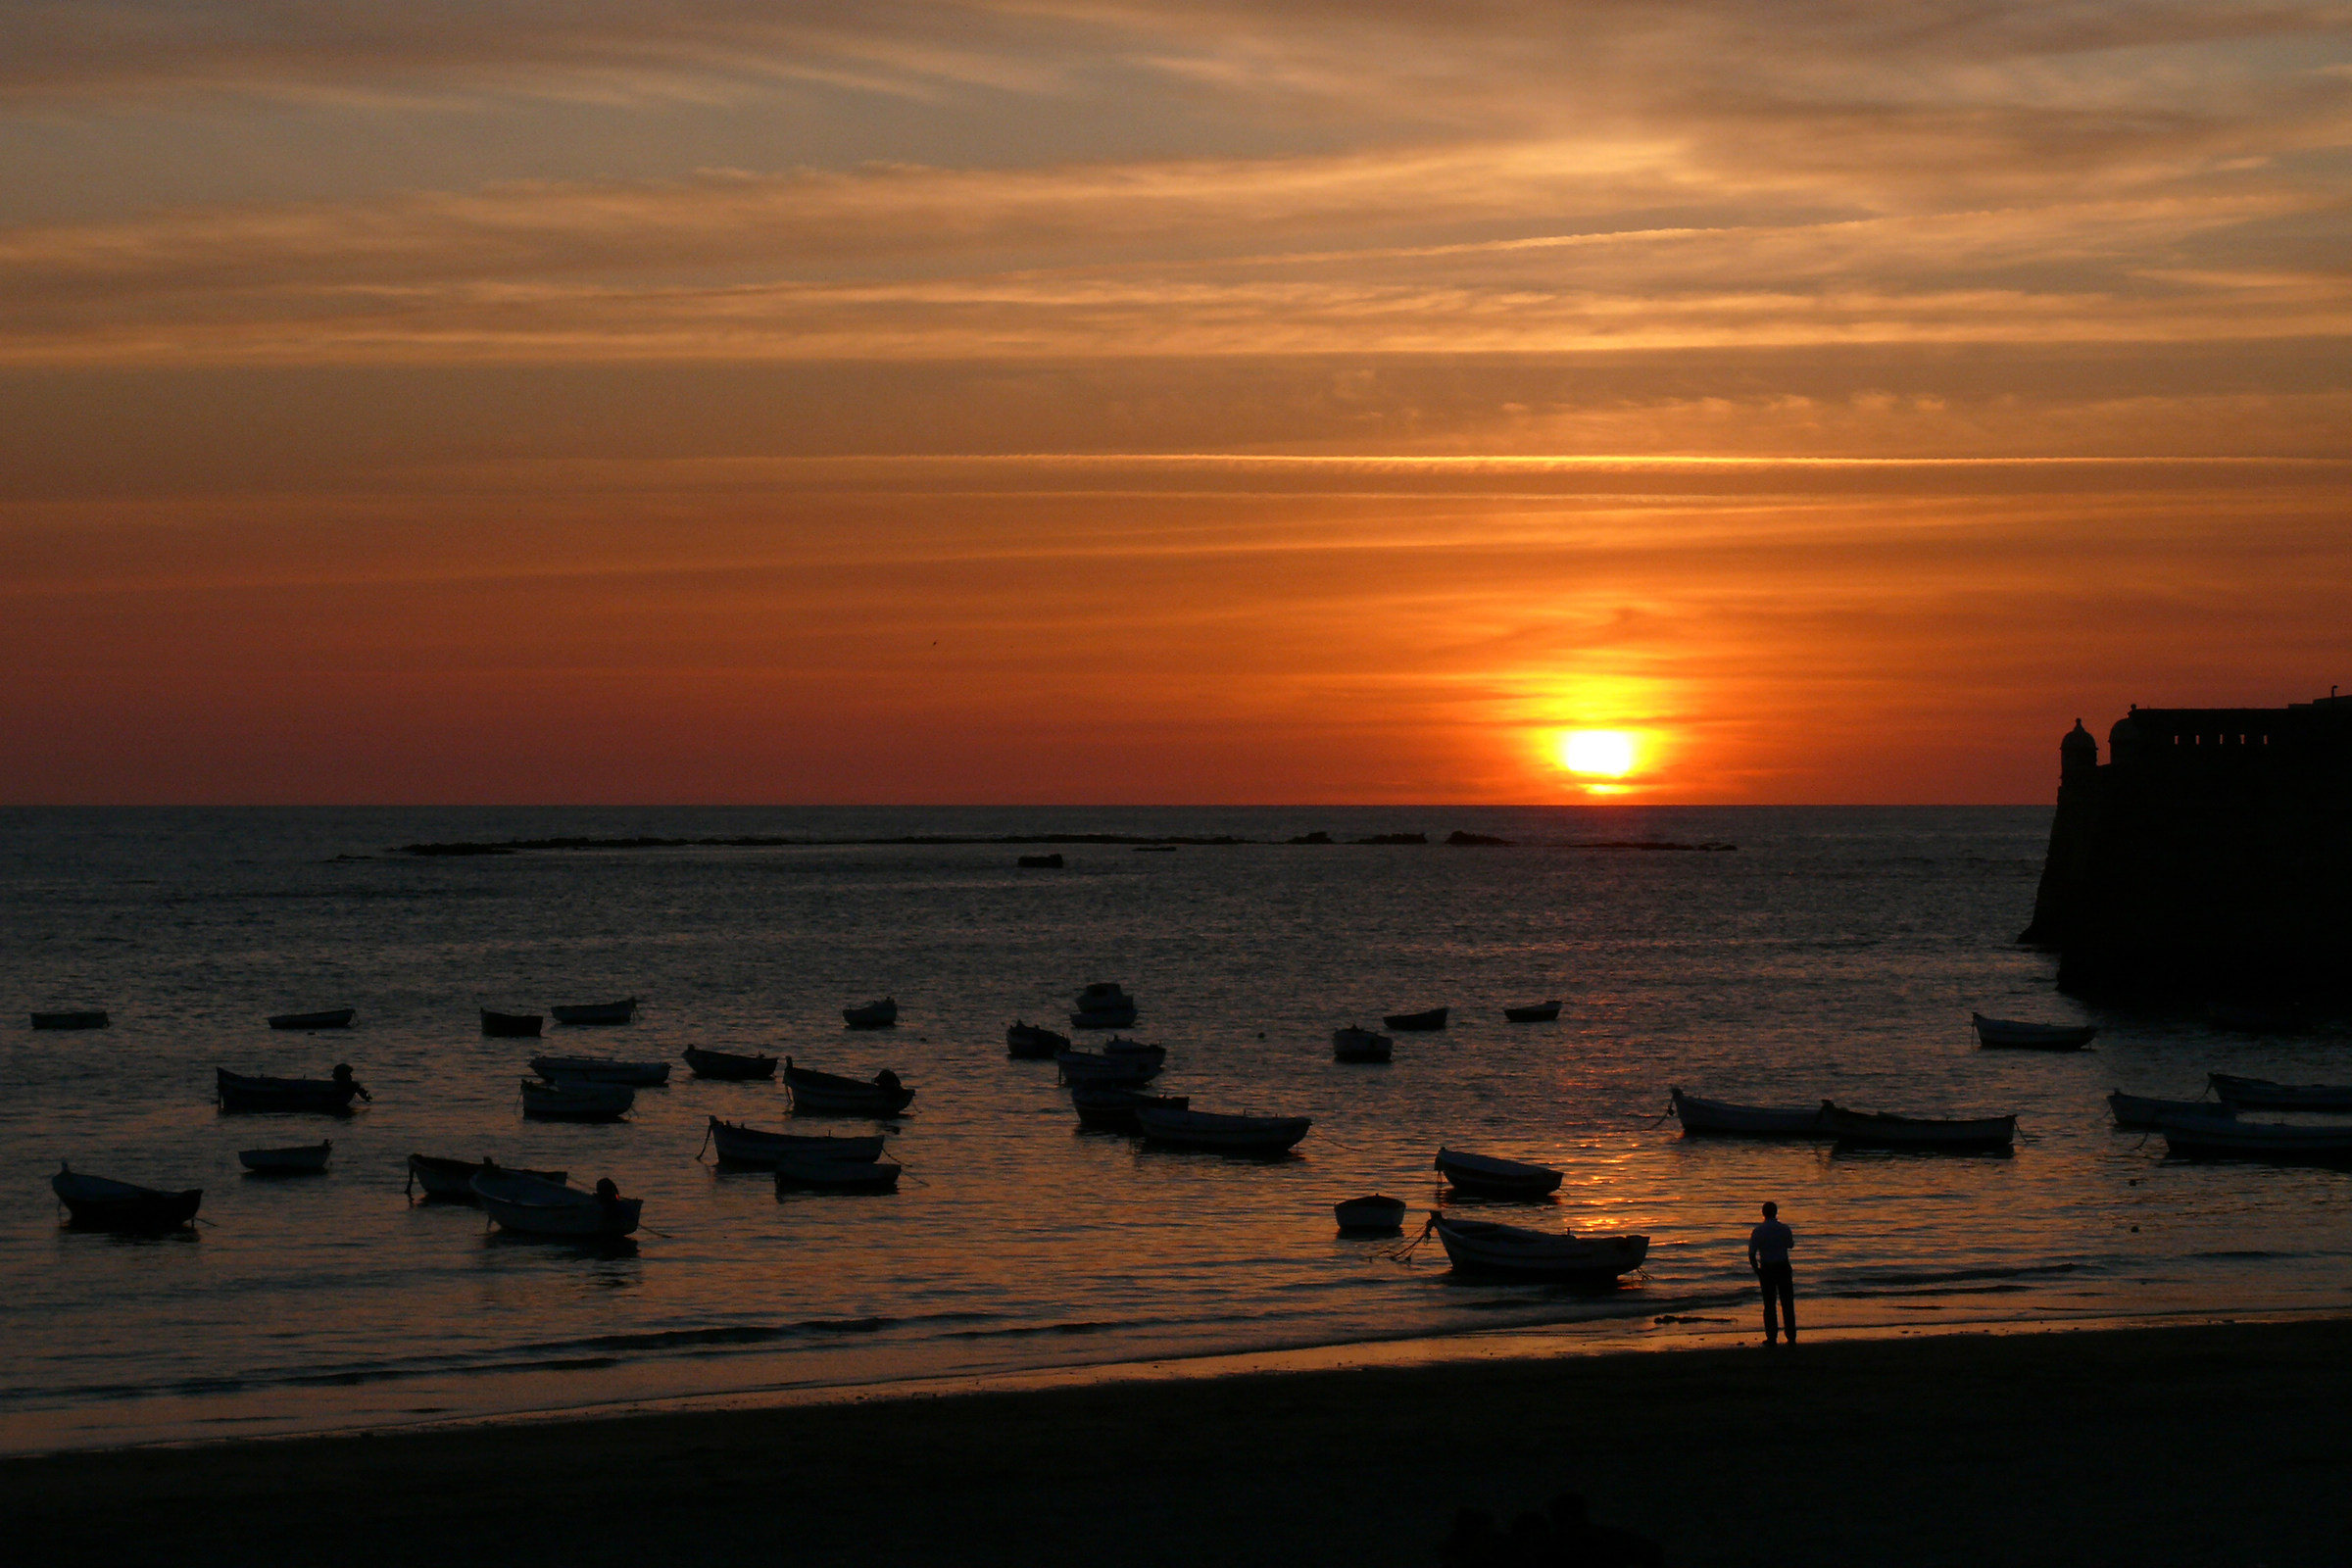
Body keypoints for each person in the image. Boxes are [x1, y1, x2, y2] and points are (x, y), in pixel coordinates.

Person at [1747, 1200, 1796, 1345]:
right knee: (1787, 1303)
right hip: (1782, 1266)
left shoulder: (1758, 1231)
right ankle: (1791, 1336)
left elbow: (1751, 1254)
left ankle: (1771, 1337)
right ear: (1776, 1213)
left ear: (1763, 1213)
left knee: (1769, 1304)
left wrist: (1756, 1269)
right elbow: (1790, 1245)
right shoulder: (1784, 1228)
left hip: (1767, 1268)